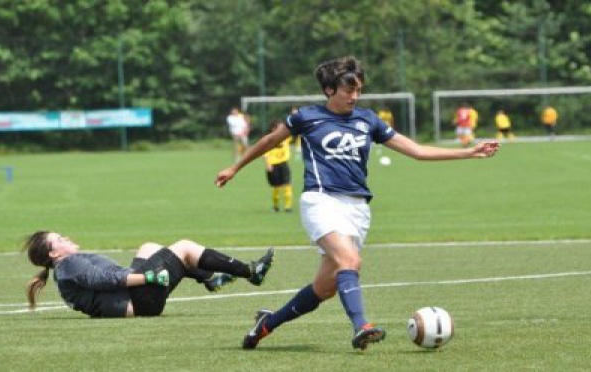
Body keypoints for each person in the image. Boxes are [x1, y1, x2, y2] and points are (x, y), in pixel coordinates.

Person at [215, 56, 499, 351]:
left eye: (358, 91)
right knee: (350, 261)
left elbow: (416, 150)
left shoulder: (368, 120)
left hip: (358, 210)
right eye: (347, 91)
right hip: (321, 201)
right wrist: (235, 167)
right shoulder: (307, 118)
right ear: (328, 90)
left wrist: (468, 152)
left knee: (324, 288)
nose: (354, 96)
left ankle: (267, 324)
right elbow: (269, 141)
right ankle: (361, 326)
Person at [24, 231, 274, 318]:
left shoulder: (65, 267)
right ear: (54, 254)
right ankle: (251, 272)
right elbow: (107, 280)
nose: (66, 238)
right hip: (140, 300)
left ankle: (208, 278)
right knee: (184, 247)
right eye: (59, 240)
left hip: (136, 297)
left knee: (150, 247)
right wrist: (149, 278)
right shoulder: (69, 265)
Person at [263, 119, 293, 212]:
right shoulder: (268, 139)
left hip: (284, 164)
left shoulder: (286, 138)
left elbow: (294, 129)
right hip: (273, 165)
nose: (282, 129)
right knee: (276, 187)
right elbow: (265, 153)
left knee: (287, 185)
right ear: (273, 129)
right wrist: (268, 164)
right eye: (279, 128)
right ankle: (275, 206)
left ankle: (288, 207)